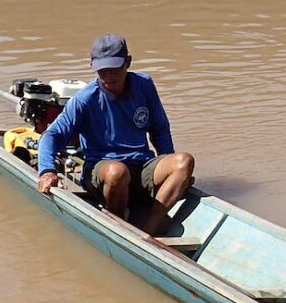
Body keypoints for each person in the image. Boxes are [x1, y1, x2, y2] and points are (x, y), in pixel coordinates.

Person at [36, 34, 195, 234]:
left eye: (115, 68)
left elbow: (159, 128)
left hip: (141, 164)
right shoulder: (85, 99)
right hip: (104, 169)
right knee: (117, 172)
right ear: (93, 66)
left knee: (184, 162)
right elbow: (52, 135)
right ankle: (118, 224)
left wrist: (170, 166)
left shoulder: (144, 85)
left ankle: (149, 230)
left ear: (128, 62)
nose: (109, 75)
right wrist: (47, 171)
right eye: (103, 70)